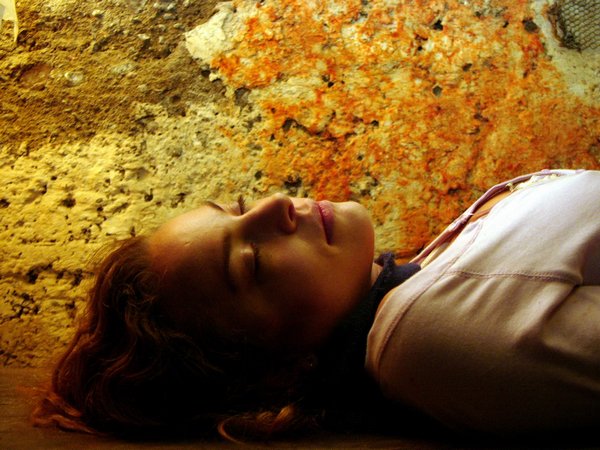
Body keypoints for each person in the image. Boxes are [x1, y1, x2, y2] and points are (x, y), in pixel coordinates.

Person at [33, 169, 600, 441]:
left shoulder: (422, 289)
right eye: (252, 261)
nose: (276, 204)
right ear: (280, 370)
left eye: (239, 207)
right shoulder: (437, 335)